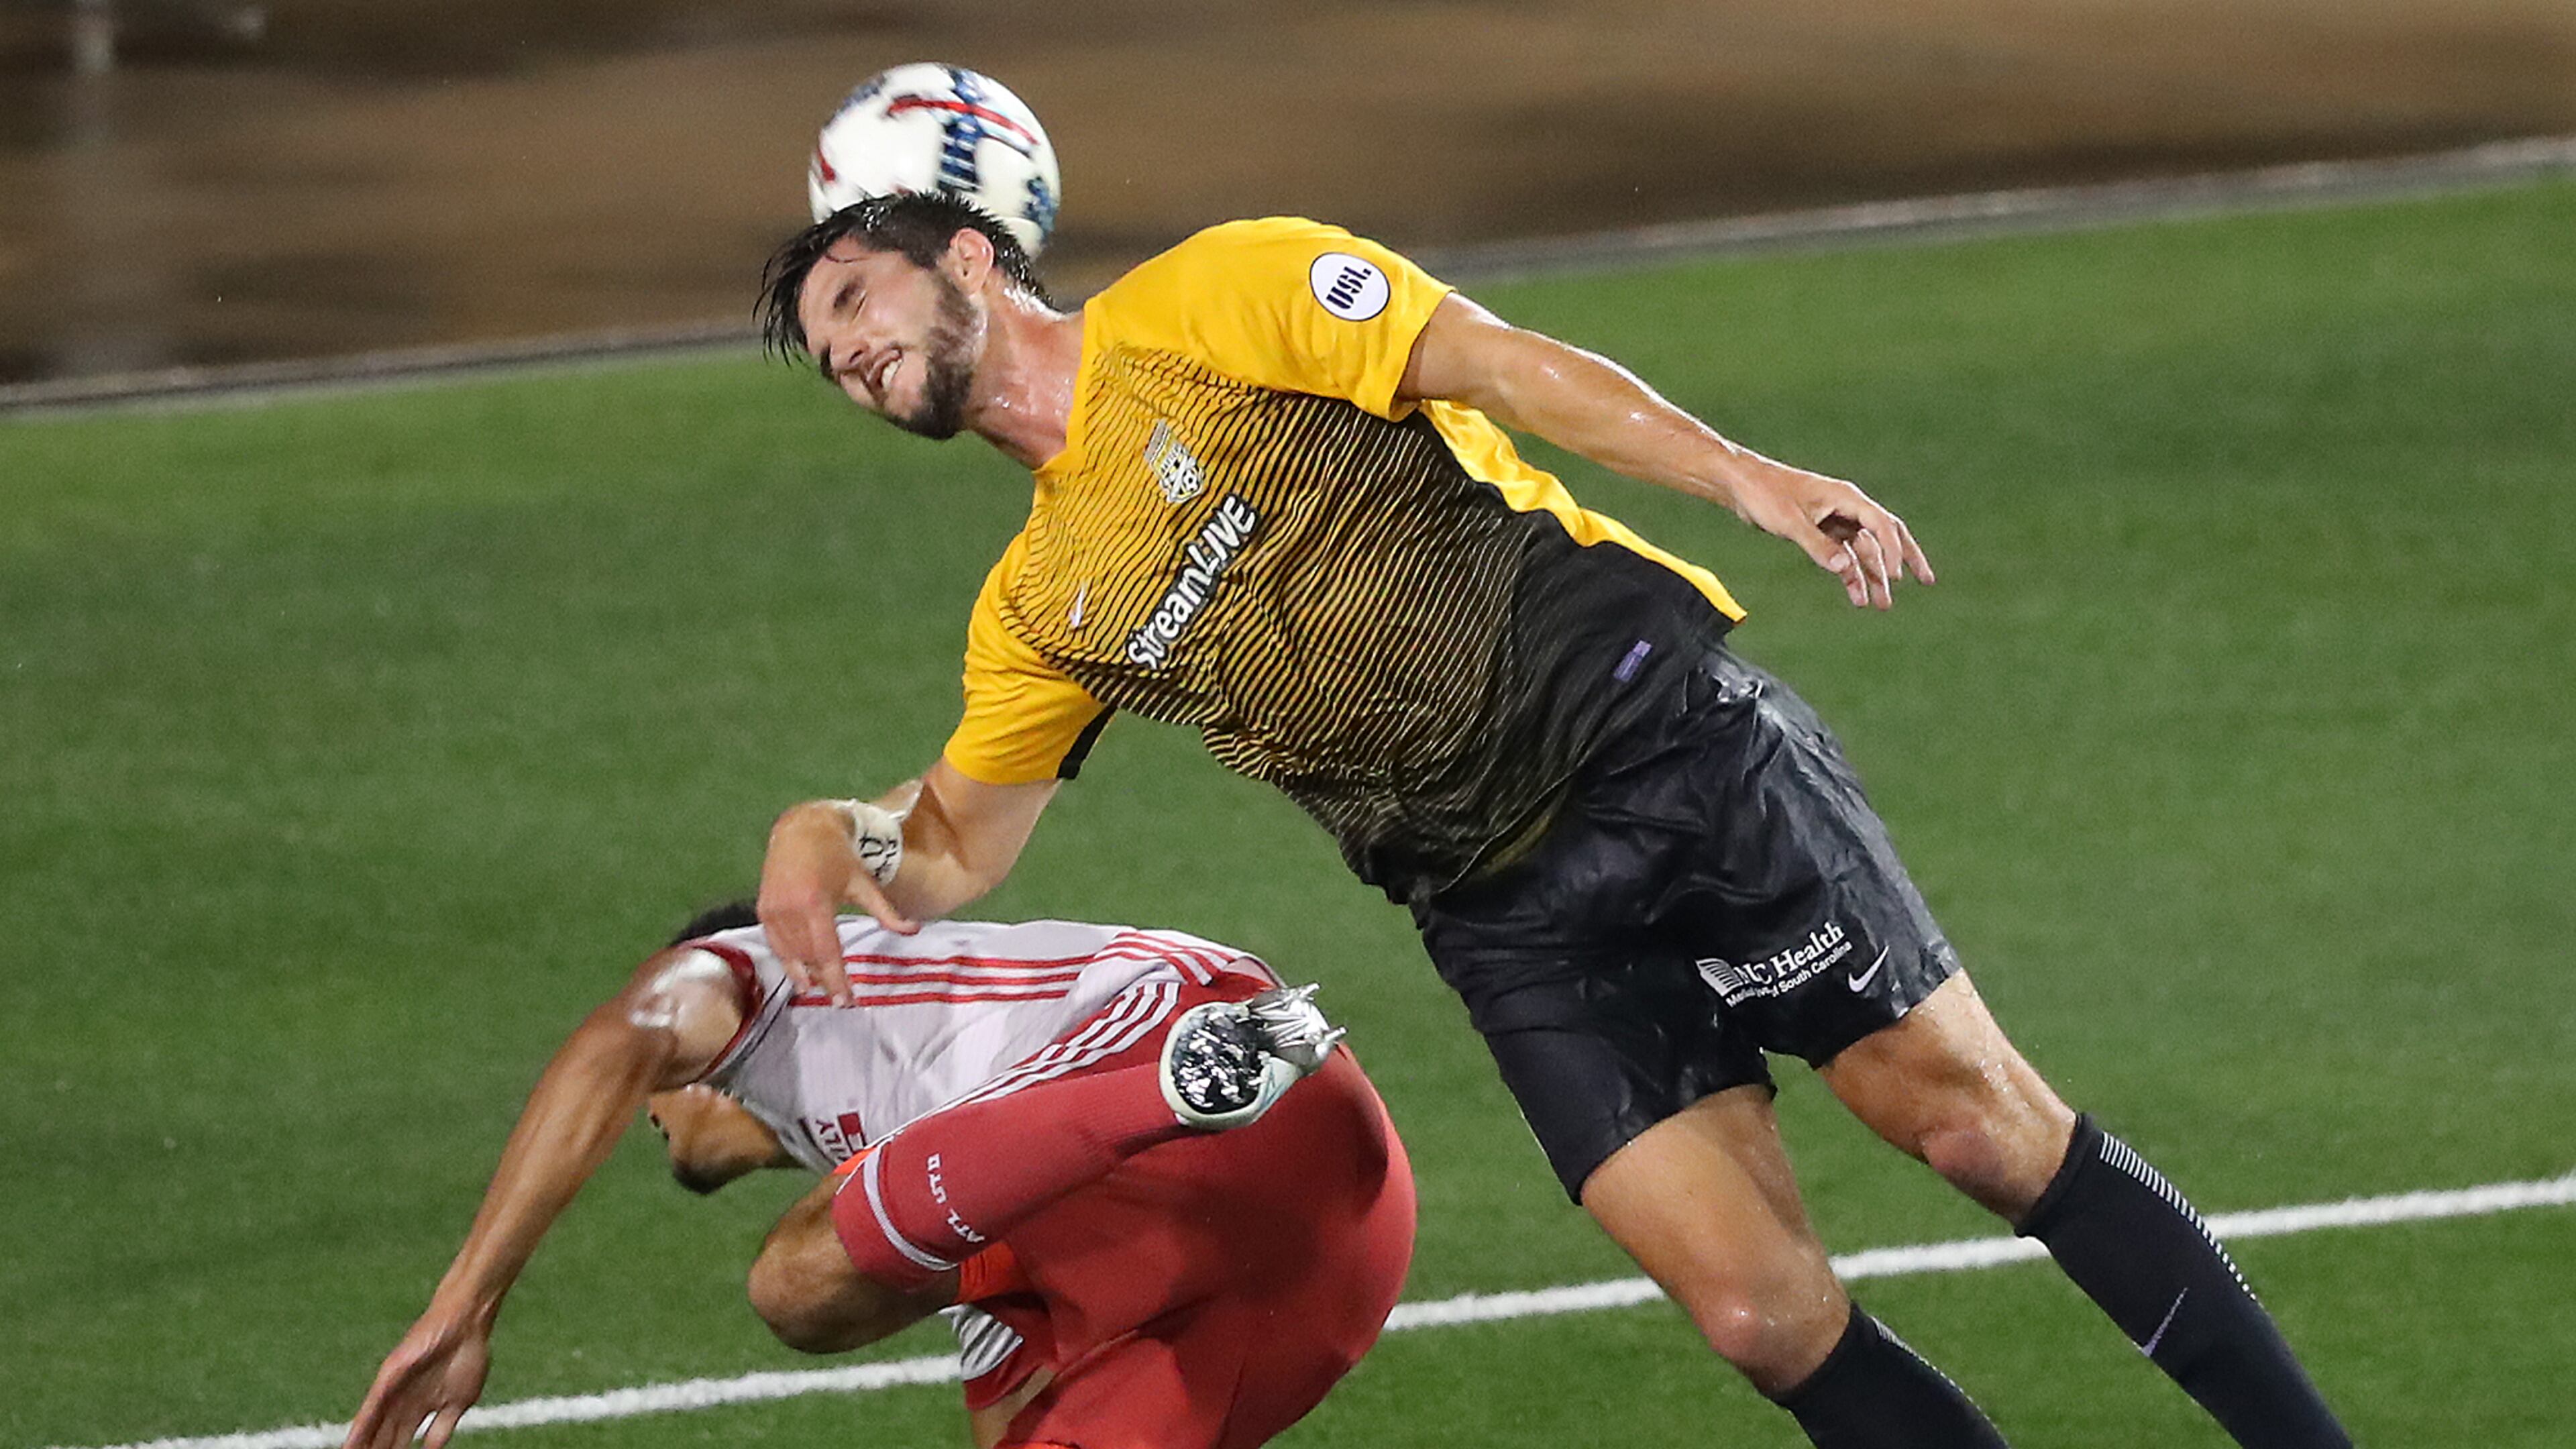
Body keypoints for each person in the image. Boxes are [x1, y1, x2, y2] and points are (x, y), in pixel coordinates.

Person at [746, 194, 2353, 1449]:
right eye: (829, 362)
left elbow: (1498, 363)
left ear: (966, 257)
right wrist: (843, 830)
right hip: (1500, 913)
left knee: (1981, 1133)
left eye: (853, 305)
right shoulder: (1037, 603)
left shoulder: (1210, 296)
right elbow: (955, 839)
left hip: (1658, 743)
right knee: (1759, 1319)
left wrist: (1746, 479)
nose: (850, 357)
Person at [343, 903, 1414, 1449]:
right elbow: (1012, 1393)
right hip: (1319, 1266)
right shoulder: (939, 1217)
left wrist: (462, 1308)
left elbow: (618, 1037)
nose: (648, 1126)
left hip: (1199, 1031)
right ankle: (1177, 1094)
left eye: (651, 1108)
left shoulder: (769, 979)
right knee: (856, 1259)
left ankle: (1177, 1087)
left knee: (791, 1286)